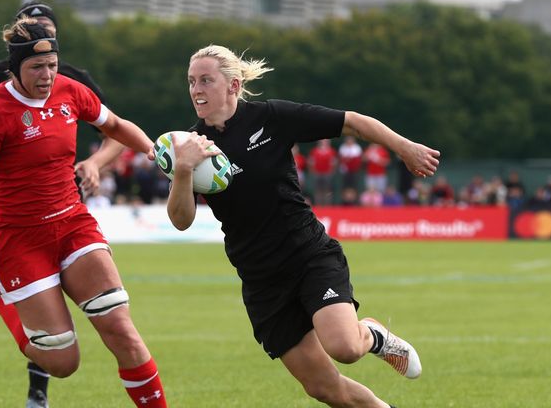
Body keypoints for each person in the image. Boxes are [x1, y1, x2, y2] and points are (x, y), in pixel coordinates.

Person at [166, 45, 439, 407]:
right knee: (324, 389)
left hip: (307, 255)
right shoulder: (190, 148)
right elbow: (181, 221)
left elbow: (352, 122)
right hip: (261, 277)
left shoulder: (271, 117)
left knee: (343, 346)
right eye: (191, 82)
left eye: (206, 80)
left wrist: (404, 147)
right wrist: (182, 170)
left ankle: (372, 334)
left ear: (233, 85)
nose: (196, 90)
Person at [0, 17, 166, 408]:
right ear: (16, 68)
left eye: (51, 65)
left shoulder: (71, 90)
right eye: (37, 67)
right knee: (64, 363)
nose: (47, 74)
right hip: (21, 240)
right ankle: (1, 300)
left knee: (122, 330)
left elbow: (116, 126)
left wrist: (152, 150)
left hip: (73, 224)